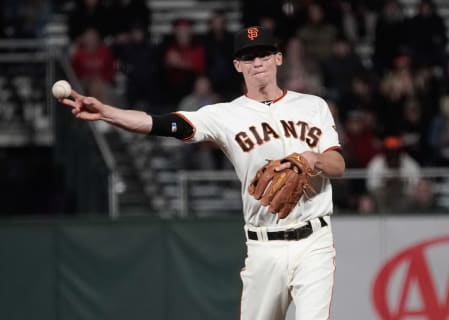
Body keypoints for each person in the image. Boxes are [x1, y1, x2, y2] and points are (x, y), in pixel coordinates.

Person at [59, 26, 345, 320]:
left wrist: (313, 159)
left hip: (315, 241)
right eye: (248, 57)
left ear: (278, 59)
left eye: (263, 54)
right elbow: (160, 123)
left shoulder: (313, 106)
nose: (257, 63)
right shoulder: (225, 115)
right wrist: (107, 112)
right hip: (264, 245)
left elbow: (338, 164)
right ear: (237, 65)